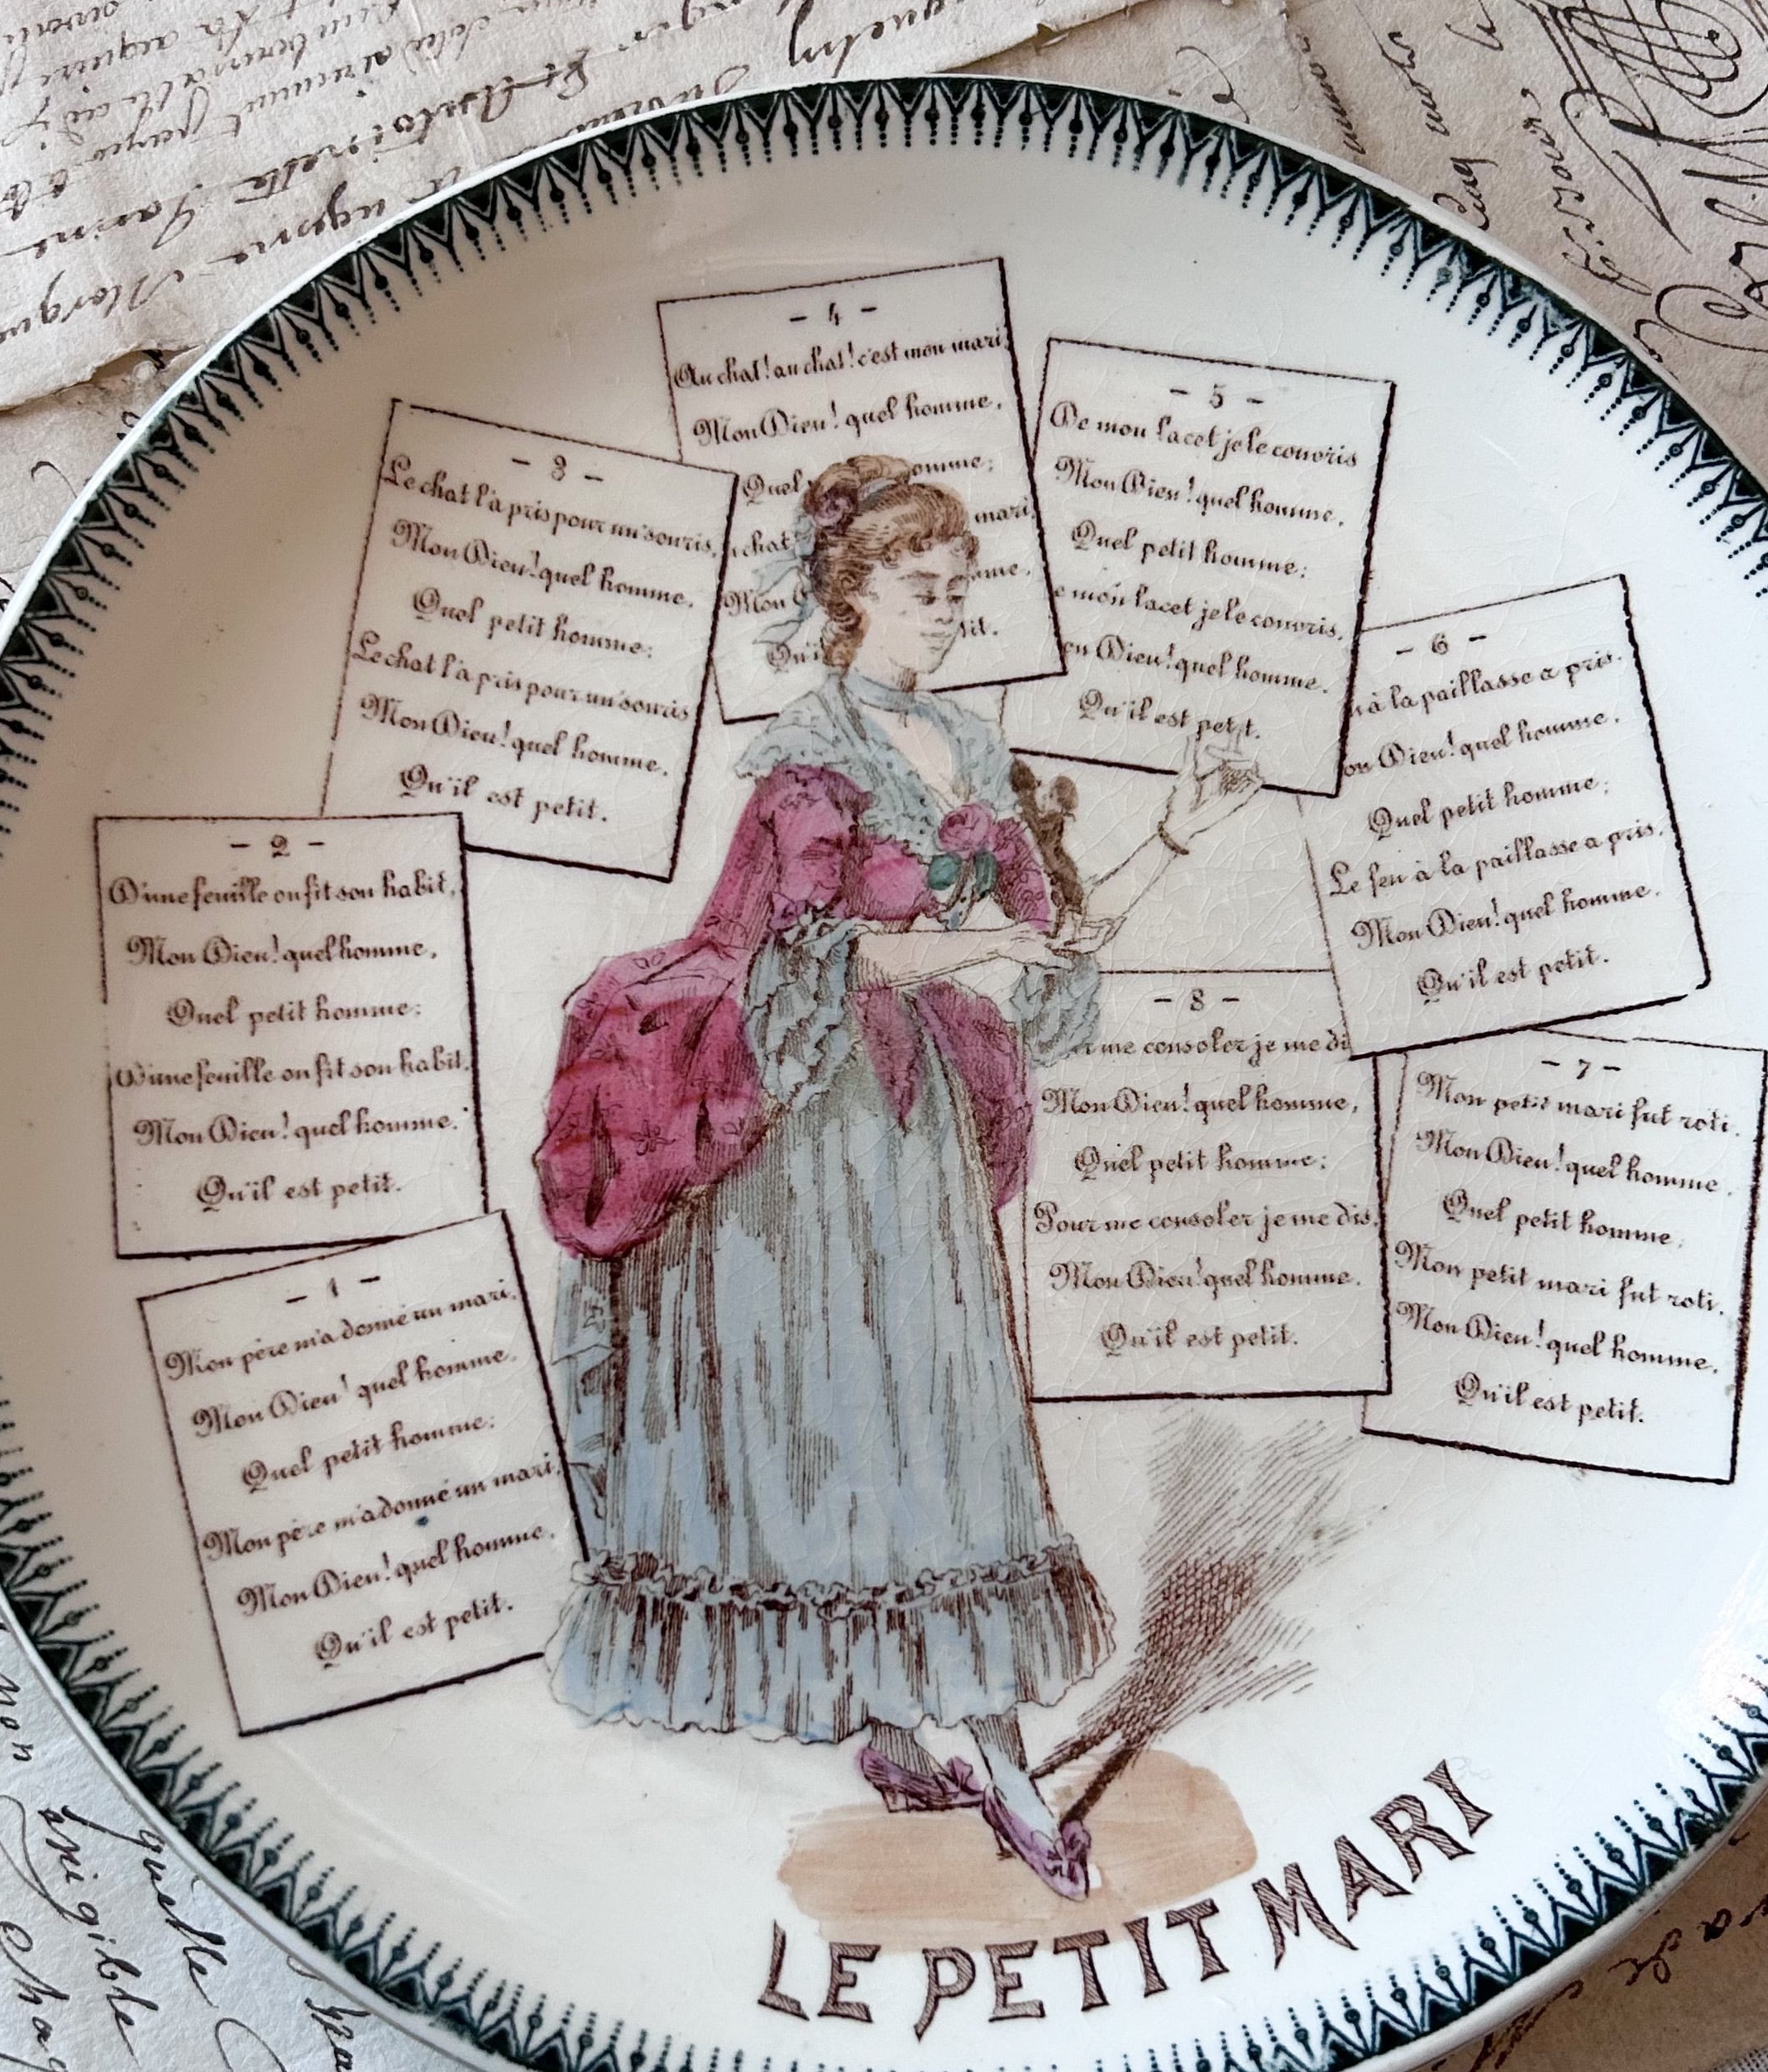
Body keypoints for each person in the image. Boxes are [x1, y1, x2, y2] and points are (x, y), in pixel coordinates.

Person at [534, 453, 1258, 1898]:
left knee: (934, 1408)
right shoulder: (809, 761)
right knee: (858, 1417)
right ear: (848, 596)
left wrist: (1173, 837)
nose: (949, 612)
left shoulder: (967, 749)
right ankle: (989, 1767)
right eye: (923, 589)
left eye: (959, 589)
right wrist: (982, 943)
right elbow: (806, 956)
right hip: (811, 1134)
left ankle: (924, 1731)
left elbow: (1048, 938)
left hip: (909, 1133)